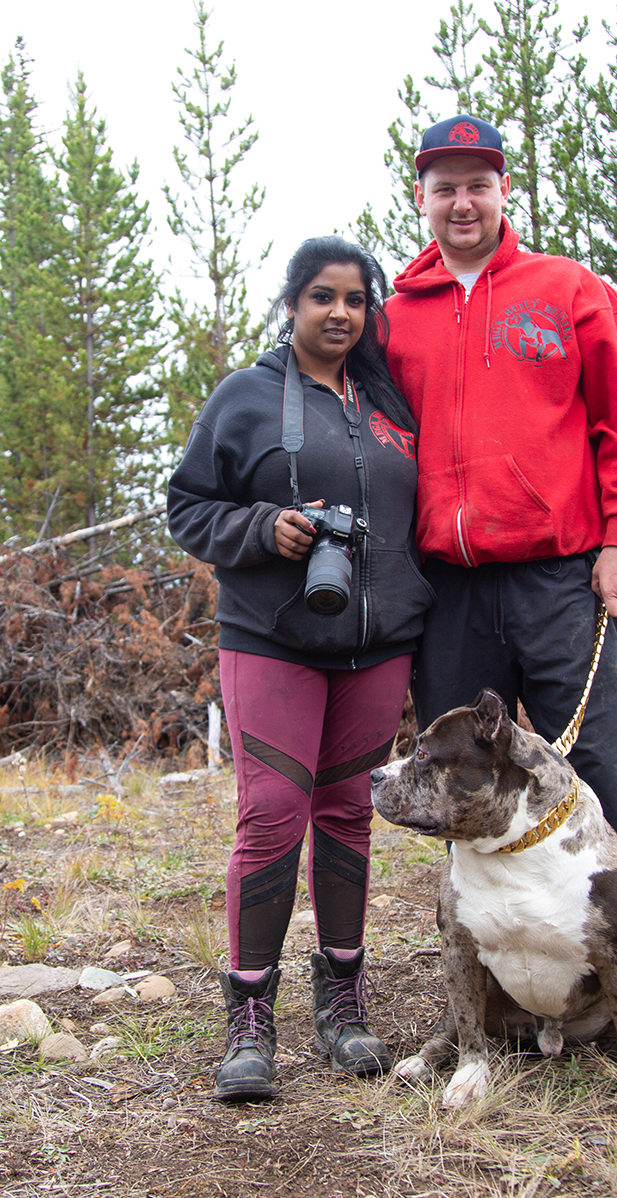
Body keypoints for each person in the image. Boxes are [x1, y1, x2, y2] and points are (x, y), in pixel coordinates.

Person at [384, 114, 617, 1063]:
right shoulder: (395, 317)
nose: (462, 202)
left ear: (503, 192)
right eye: (444, 187)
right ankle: (481, 997)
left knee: (605, 783)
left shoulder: (569, 291)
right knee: (454, 792)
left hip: (560, 581)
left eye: (478, 184)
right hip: (449, 592)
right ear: (422, 198)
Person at [168, 236, 435, 1101]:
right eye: (323, 296)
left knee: (349, 814)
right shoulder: (246, 397)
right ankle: (250, 1019)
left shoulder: (390, 401)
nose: (340, 313)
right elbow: (187, 505)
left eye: (356, 299)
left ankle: (343, 1004)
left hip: (378, 643)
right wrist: (262, 529)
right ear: (292, 305)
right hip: (271, 637)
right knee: (273, 815)